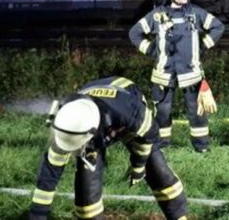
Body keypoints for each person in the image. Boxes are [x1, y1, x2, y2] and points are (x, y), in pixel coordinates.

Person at [29, 76, 188, 220]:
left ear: (91, 133)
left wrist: (139, 165)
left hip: (126, 106)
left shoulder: (130, 111)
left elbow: (149, 135)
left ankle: (179, 215)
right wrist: (37, 216)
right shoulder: (68, 123)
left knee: (157, 171)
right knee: (86, 199)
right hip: (92, 118)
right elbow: (47, 180)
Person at [129, 0, 225, 152]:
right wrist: (151, 50)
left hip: (191, 73)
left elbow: (218, 27)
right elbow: (134, 33)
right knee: (163, 112)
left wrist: (202, 45)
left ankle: (202, 147)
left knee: (197, 111)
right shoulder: (157, 16)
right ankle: (161, 147)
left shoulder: (195, 13)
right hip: (163, 74)